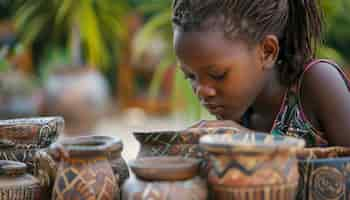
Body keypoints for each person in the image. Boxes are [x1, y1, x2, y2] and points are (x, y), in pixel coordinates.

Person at [172, 0, 350, 147]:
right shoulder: (239, 110)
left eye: (218, 74)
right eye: (191, 76)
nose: (201, 91)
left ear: (267, 52)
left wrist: (254, 143)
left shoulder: (317, 82)